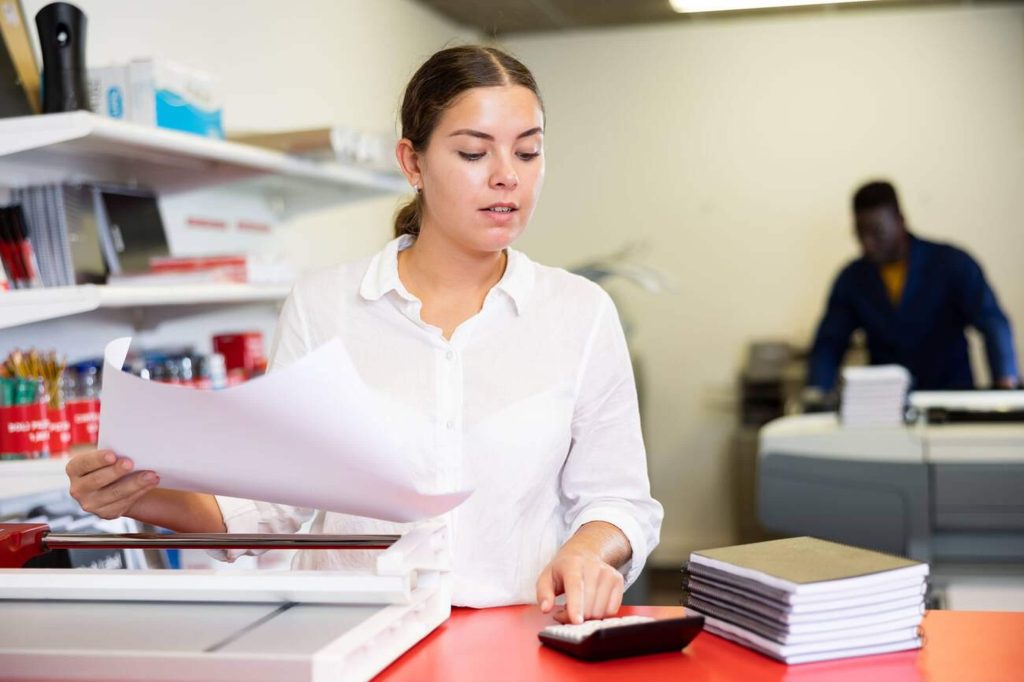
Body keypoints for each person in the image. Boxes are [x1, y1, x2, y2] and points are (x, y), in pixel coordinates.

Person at [64, 45, 663, 625]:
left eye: (528, 153)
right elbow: (273, 502)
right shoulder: (325, 306)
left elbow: (618, 502)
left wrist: (589, 549)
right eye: (474, 154)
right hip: (353, 636)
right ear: (413, 163)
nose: (507, 177)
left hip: (514, 637)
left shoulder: (579, 312)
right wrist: (135, 494)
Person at [807, 180, 1019, 395]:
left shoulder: (951, 264)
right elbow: (829, 344)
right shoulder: (852, 278)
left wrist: (1005, 385)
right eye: (861, 234)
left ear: (900, 221)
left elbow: (992, 323)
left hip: (950, 398)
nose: (868, 244)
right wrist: (816, 394)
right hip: (887, 404)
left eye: (877, 232)